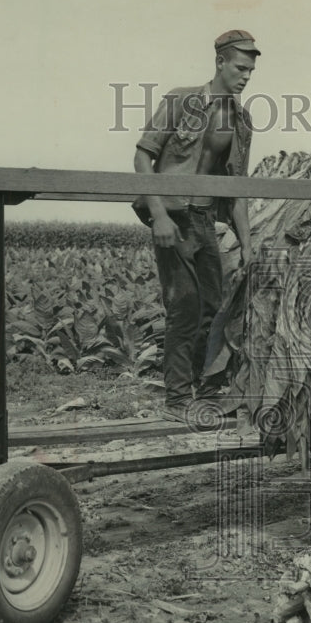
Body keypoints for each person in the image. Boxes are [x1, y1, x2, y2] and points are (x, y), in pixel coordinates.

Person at [132, 30, 258, 420]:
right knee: (184, 305)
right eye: (240, 67)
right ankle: (176, 401)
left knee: (211, 307)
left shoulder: (242, 121)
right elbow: (142, 159)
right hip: (174, 216)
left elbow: (235, 188)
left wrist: (247, 243)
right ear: (220, 61)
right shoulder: (180, 100)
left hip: (206, 219)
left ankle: (203, 392)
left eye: (251, 71)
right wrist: (160, 215)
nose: (246, 76)